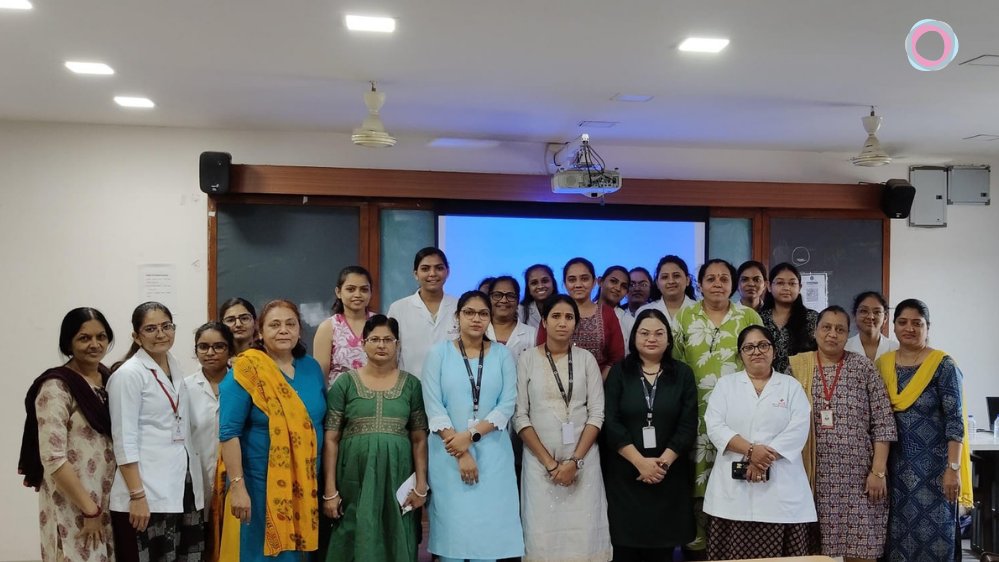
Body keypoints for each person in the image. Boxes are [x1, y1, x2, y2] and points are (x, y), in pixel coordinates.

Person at [219, 299, 327, 562]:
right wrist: (238, 487)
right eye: (275, 325)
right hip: (259, 486)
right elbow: (229, 433)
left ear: (299, 330)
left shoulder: (311, 368)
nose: (283, 330)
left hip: (306, 484)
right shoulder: (247, 370)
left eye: (291, 324)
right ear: (260, 331)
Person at [788, 306, 896, 562]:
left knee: (862, 550)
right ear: (815, 331)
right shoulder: (798, 367)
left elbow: (883, 422)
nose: (832, 334)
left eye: (840, 329)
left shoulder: (863, 367)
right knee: (814, 554)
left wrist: (878, 472)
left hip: (859, 479)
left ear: (848, 335)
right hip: (812, 479)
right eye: (826, 327)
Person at [422, 291, 524, 561]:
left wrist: (470, 436)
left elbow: (507, 404)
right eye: (469, 312)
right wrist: (462, 451)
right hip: (448, 453)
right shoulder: (438, 354)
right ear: (457, 316)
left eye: (483, 313)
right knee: (453, 534)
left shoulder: (502, 355)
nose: (476, 318)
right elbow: (434, 406)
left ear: (490, 318)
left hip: (493, 453)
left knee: (487, 538)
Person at [671, 258, 763, 557]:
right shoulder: (686, 316)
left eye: (724, 278)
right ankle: (697, 549)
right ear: (699, 284)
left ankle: (732, 549)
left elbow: (760, 363)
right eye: (711, 278)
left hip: (737, 418)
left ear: (733, 284)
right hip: (694, 415)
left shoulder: (748, 316)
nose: (717, 284)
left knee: (734, 482)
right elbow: (675, 366)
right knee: (696, 484)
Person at [703, 325, 816, 560]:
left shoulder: (791, 386)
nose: (757, 351)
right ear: (740, 354)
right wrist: (751, 451)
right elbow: (714, 425)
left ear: (774, 351)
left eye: (763, 345)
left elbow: (798, 428)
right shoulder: (726, 385)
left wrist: (761, 459)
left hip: (781, 495)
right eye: (749, 347)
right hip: (732, 495)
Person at [323, 314, 429, 562]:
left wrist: (421, 485)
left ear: (397, 344)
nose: (381, 345)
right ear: (363, 343)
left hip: (398, 476)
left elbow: (419, 439)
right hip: (353, 478)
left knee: (396, 534)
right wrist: (330, 491)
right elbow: (331, 439)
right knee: (354, 532)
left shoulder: (412, 385)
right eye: (375, 339)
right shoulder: (345, 384)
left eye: (388, 339)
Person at [513, 294, 611, 562]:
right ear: (544, 321)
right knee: (543, 537)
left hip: (583, 462)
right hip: (539, 464)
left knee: (584, 536)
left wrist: (574, 462)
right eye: (556, 316)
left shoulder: (586, 360)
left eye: (569, 317)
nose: (562, 322)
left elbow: (597, 414)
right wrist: (551, 465)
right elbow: (520, 417)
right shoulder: (527, 360)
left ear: (576, 324)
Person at [108, 302, 205, 562]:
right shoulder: (128, 375)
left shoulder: (175, 367)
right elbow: (123, 439)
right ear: (136, 336)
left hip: (179, 484)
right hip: (145, 489)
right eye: (151, 329)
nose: (161, 334)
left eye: (166, 326)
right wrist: (137, 495)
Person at [876, 299, 972, 561]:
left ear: (927, 327)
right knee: (896, 539)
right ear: (893, 326)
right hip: (895, 471)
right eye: (903, 322)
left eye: (917, 323)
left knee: (937, 538)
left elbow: (955, 420)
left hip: (936, 472)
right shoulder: (883, 365)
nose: (909, 328)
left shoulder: (943, 365)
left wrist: (953, 469)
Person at [18, 308, 116, 562]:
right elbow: (53, 457)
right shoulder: (57, 387)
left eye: (101, 336)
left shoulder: (110, 380)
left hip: (108, 500)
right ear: (68, 343)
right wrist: (90, 510)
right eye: (84, 338)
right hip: (73, 504)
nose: (94, 344)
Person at [602, 309, 698, 561]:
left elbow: (687, 425)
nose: (651, 338)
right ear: (634, 336)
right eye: (644, 333)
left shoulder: (683, 374)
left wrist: (660, 465)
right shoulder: (620, 372)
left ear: (669, 339)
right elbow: (610, 421)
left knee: (662, 552)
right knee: (624, 550)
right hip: (626, 475)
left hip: (668, 475)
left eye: (659, 333)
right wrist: (640, 463)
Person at [184, 322, 236, 562]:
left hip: (233, 477)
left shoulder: (242, 383)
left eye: (218, 346)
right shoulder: (184, 387)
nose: (210, 352)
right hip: (197, 477)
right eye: (203, 347)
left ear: (230, 349)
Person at [537, 258, 624, 378]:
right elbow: (541, 351)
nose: (578, 285)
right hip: (556, 381)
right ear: (564, 284)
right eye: (572, 280)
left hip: (601, 382)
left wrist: (598, 383)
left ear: (594, 282)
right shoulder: (552, 313)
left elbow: (616, 357)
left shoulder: (607, 313)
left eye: (584, 279)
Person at [386, 247, 459, 379]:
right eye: (425, 269)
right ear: (416, 274)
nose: (432, 273)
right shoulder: (398, 308)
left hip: (452, 385)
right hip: (410, 385)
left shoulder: (460, 307)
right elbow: (390, 353)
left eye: (439, 268)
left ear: (447, 272)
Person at [313, 265, 376, 385]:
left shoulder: (380, 324)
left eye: (364, 289)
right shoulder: (328, 327)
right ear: (338, 292)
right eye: (351, 289)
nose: (357, 294)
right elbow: (320, 378)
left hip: (376, 393)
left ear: (371, 292)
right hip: (338, 395)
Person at [759, 262, 818, 373]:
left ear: (799, 287)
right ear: (769, 286)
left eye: (792, 283)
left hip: (802, 379)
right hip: (764, 379)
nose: (786, 288)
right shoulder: (759, 318)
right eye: (780, 283)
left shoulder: (812, 318)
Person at [637, 255, 696, 331]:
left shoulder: (701, 311)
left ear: (687, 280)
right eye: (665, 277)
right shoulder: (644, 311)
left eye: (676, 276)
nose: (671, 281)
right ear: (657, 283)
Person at [485, 275, 537, 363]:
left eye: (510, 296)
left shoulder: (533, 334)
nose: (504, 300)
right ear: (489, 299)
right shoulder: (480, 330)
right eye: (497, 295)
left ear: (518, 300)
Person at [845, 291, 898, 362]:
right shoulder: (844, 348)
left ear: (885, 318)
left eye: (877, 312)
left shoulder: (896, 349)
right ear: (854, 315)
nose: (871, 317)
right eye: (864, 311)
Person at [596, 264, 635, 348]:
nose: (618, 288)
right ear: (600, 281)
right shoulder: (581, 312)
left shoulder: (629, 322)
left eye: (623, 286)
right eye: (613, 281)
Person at [519, 263, 556, 329]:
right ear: (528, 289)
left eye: (545, 281)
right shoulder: (520, 311)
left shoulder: (566, 307)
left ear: (553, 284)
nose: (540, 286)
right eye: (534, 283)